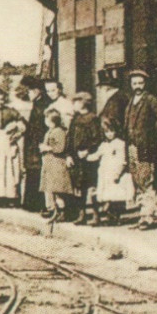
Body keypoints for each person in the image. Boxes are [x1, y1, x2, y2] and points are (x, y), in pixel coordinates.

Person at [123, 69, 157, 230]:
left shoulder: (150, 100)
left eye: (140, 83)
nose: (137, 86)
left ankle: (147, 217)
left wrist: (152, 135)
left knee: (146, 180)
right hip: (131, 146)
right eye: (134, 83)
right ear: (131, 84)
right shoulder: (131, 101)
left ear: (145, 84)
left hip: (144, 146)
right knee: (137, 180)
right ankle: (142, 214)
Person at [66, 91, 103, 223]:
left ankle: (95, 214)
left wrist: (87, 150)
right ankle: (81, 214)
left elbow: (97, 138)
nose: (73, 105)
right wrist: (69, 155)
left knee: (91, 185)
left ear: (83, 103)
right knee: (78, 187)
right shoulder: (75, 119)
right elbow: (69, 138)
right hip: (76, 157)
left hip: (88, 158)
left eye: (75, 102)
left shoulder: (92, 118)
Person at [90, 115, 133, 225]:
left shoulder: (120, 144)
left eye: (111, 131)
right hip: (104, 173)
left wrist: (117, 174)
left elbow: (123, 161)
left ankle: (115, 217)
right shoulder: (104, 145)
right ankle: (109, 217)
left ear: (116, 131)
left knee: (116, 196)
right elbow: (97, 155)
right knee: (106, 196)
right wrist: (86, 156)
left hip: (114, 173)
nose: (109, 134)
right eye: (106, 132)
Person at [15, 75, 48, 214]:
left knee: (35, 172)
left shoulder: (42, 105)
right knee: (32, 171)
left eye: (28, 91)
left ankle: (35, 203)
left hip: (36, 144)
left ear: (36, 91)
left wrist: (25, 126)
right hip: (33, 144)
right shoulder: (38, 103)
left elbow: (39, 128)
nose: (27, 94)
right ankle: (31, 203)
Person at [38, 109, 75, 224]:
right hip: (50, 163)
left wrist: (46, 148)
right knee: (51, 189)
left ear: (51, 121)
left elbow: (60, 148)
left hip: (56, 163)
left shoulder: (58, 132)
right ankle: (55, 211)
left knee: (58, 190)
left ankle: (62, 212)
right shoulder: (51, 131)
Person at [97, 65, 129, 134]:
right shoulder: (118, 97)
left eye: (100, 88)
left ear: (106, 88)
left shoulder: (115, 101)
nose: (99, 92)